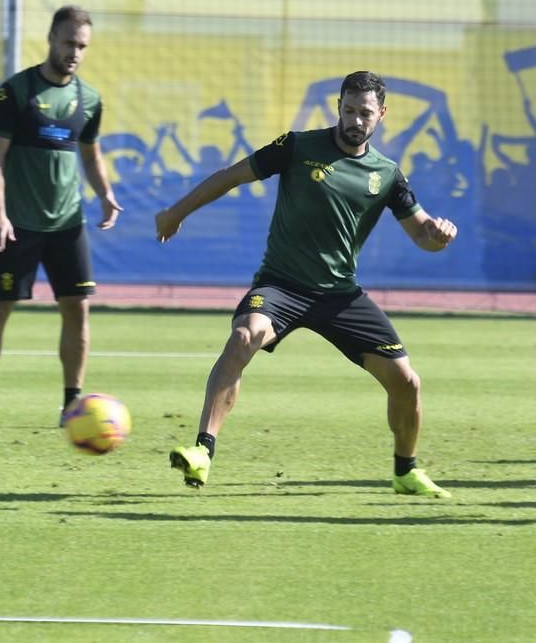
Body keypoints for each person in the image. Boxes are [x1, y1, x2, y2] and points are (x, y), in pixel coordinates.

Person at [155, 71, 457, 498]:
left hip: (339, 295)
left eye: (365, 113)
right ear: (338, 107)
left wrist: (439, 237)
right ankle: (203, 450)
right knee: (245, 335)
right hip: (282, 285)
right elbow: (230, 176)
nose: (355, 120)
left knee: (407, 382)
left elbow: (422, 233)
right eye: (348, 110)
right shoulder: (297, 146)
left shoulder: (387, 174)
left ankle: (405, 472)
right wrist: (176, 212)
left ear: (382, 115)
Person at [0, 5, 121, 430]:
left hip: (67, 225)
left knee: (77, 309)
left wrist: (105, 194)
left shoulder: (89, 100)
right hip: (19, 225)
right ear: (51, 38)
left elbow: (91, 153)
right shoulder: (16, 92)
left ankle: (71, 406)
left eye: (82, 46)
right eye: (69, 43)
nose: (75, 53)